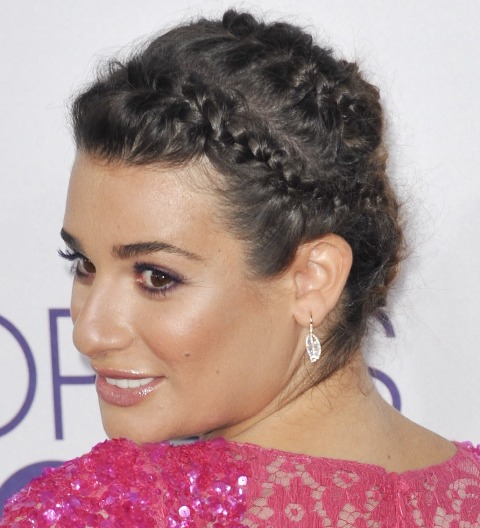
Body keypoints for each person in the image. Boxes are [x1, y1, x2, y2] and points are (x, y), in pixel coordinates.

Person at [2, 9, 479, 526]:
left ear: (312, 279)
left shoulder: (100, 512)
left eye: (156, 277)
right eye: (83, 264)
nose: (89, 333)